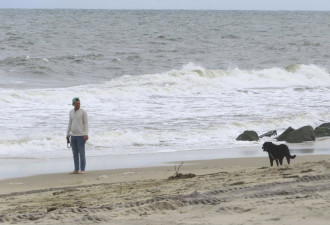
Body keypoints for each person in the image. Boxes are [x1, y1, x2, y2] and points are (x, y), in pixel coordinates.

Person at [66, 97, 89, 174]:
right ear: (73, 104)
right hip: (73, 136)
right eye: (76, 104)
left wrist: (86, 134)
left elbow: (86, 123)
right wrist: (67, 134)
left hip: (81, 135)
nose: (78, 105)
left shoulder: (83, 112)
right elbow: (70, 123)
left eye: (79, 103)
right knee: (75, 154)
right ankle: (76, 169)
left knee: (82, 153)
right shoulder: (71, 112)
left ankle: (82, 169)